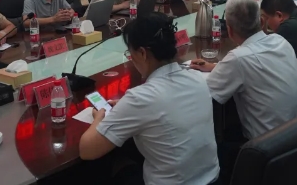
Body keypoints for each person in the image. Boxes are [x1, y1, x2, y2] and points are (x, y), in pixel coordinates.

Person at [79, 12, 220, 185]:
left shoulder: (140, 99)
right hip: (213, 179)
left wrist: (98, 118)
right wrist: (126, 107)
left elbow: (87, 150)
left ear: (142, 53)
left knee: (115, 167)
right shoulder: (197, 78)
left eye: (130, 53)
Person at [191, 0, 297, 140]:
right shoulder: (281, 41)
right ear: (262, 22)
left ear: (229, 30)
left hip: (269, 146)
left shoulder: (238, 58)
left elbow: (202, 94)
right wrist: (216, 67)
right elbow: (257, 67)